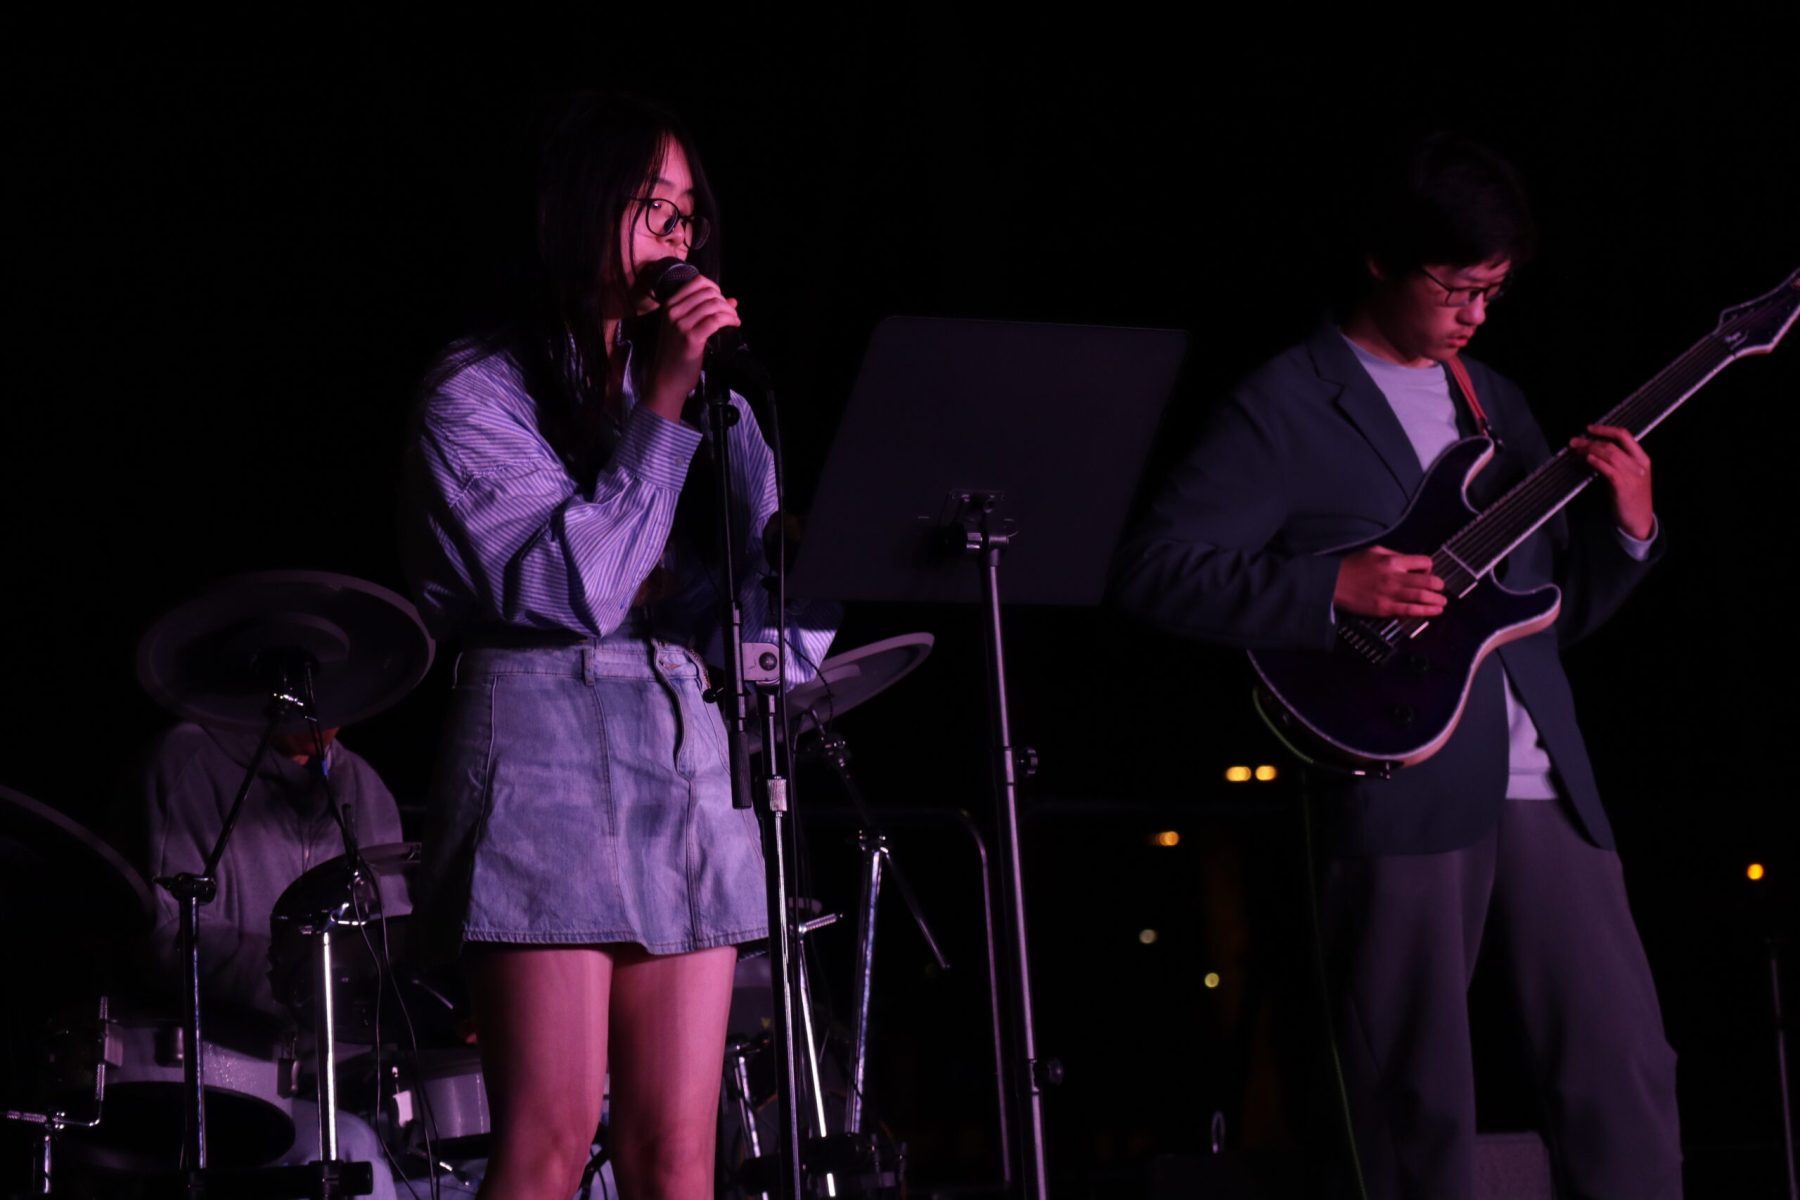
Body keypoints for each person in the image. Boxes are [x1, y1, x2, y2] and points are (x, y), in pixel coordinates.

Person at [1111, 135, 1682, 1198]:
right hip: (1399, 777)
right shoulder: (1286, 402)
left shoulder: (1497, 402)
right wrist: (1329, 587)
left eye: (1493, 292)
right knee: (1413, 1095)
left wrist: (1631, 530)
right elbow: (1154, 571)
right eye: (1456, 288)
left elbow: (1549, 618)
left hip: (1545, 782)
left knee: (1625, 1076)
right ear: (1380, 259)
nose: (1475, 313)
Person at [400, 92, 834, 1199]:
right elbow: (576, 592)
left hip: (681, 747)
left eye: (688, 214)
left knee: (677, 1156)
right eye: (652, 205)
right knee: (548, 1144)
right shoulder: (473, 391)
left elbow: (767, 606)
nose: (676, 235)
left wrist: (819, 546)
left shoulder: (714, 403)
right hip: (537, 745)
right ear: (581, 208)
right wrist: (666, 404)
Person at [121, 719, 404, 1197]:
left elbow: (390, 954)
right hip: (196, 1081)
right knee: (348, 1154)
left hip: (316, 1084)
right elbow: (169, 936)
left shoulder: (367, 789)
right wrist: (297, 981)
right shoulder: (188, 757)